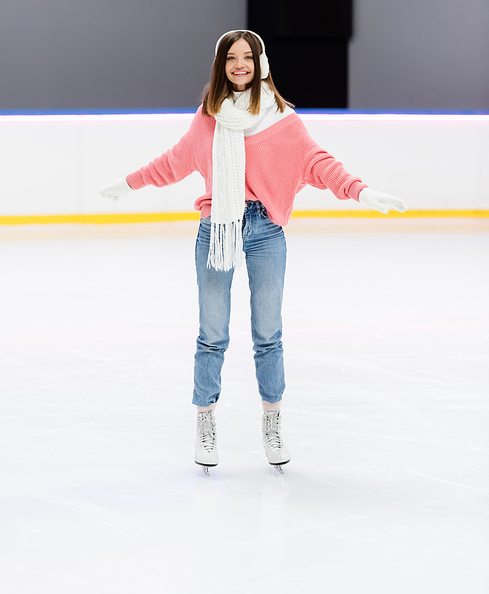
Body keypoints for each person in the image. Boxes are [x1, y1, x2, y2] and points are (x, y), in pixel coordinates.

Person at [99, 29, 407, 474]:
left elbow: (320, 164)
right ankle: (205, 423)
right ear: (221, 65)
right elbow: (173, 162)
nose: (239, 64)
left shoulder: (282, 118)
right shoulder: (209, 118)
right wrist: (128, 184)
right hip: (216, 229)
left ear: (261, 63)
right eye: (231, 58)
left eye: (248, 56)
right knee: (212, 335)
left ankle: (272, 422)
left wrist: (362, 192)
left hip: (265, 229)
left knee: (268, 335)